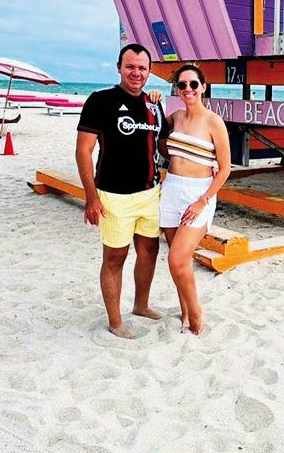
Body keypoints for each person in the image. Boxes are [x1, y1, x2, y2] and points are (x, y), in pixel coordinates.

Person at [76, 43, 169, 339]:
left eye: (142, 68)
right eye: (130, 66)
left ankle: (141, 305)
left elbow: (164, 145)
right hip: (113, 196)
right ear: (119, 67)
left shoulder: (155, 105)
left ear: (150, 72)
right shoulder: (100, 101)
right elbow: (83, 151)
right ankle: (115, 322)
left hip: (150, 193)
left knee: (149, 252)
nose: (136, 73)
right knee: (115, 258)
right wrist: (90, 198)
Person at [160, 63, 231, 335]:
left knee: (177, 260)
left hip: (198, 194)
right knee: (181, 262)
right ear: (176, 89)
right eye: (181, 84)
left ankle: (197, 312)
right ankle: (186, 312)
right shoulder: (175, 117)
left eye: (193, 84)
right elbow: (153, 121)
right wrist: (153, 98)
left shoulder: (214, 121)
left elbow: (225, 168)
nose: (187, 89)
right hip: (172, 191)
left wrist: (203, 200)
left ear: (203, 86)